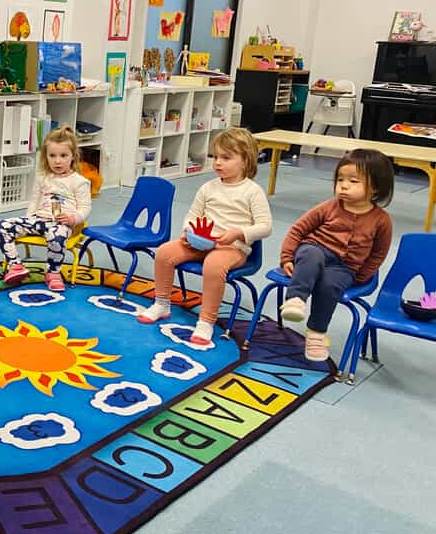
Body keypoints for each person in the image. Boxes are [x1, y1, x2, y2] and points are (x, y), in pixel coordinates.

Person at [138, 128, 272, 345]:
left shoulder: (252, 191)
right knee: (164, 252)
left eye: (226, 158)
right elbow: (192, 216)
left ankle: (206, 322)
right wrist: (188, 231)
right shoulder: (208, 187)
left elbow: (266, 227)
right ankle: (162, 304)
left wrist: (239, 233)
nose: (218, 162)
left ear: (246, 161)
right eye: (216, 156)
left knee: (213, 265)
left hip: (233, 248)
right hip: (201, 242)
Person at [279, 149, 394, 361]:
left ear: (376, 187)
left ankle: (316, 333)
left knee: (330, 285)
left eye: (353, 181)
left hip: (345, 267)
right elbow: (298, 229)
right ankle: (295, 299)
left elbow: (379, 253)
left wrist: (360, 276)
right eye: (340, 179)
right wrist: (286, 257)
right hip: (316, 248)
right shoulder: (329, 207)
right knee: (311, 255)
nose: (343, 185)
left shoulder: (381, 220)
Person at [0, 126, 91, 291]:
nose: (57, 161)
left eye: (63, 155)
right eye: (52, 156)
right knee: (2, 226)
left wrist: (73, 218)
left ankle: (53, 273)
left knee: (56, 236)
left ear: (73, 157)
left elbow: (85, 207)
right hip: (39, 220)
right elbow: (34, 201)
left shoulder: (79, 181)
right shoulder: (43, 178)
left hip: (61, 224)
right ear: (45, 157)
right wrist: (29, 219)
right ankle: (16, 266)